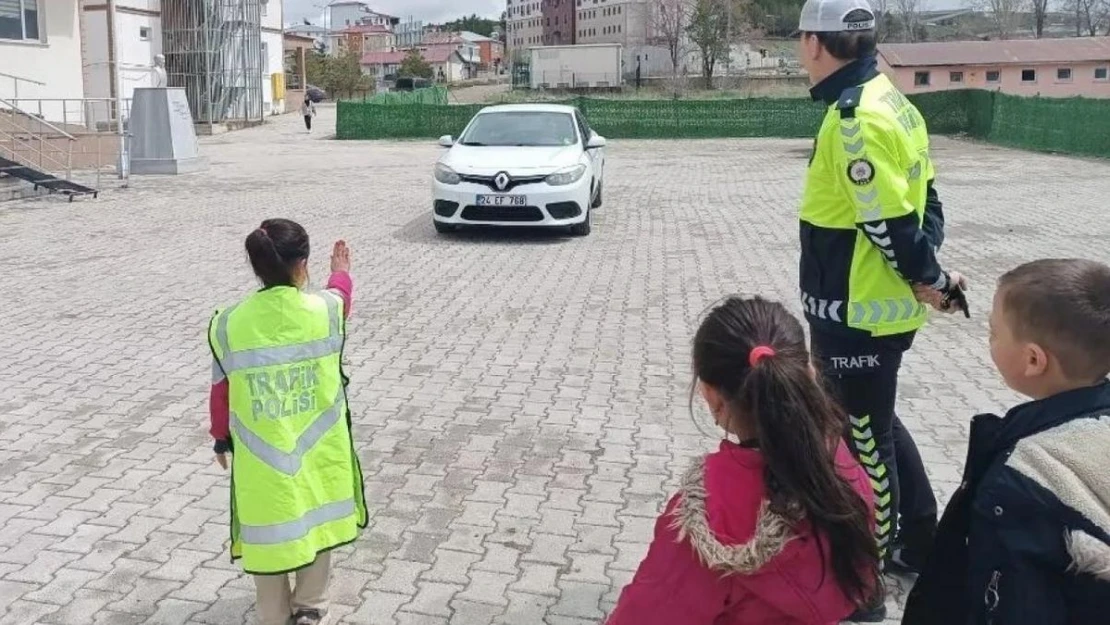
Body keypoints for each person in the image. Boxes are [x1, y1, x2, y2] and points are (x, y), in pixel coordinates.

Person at [793, 0, 967, 613]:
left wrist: (932, 279)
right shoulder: (892, 100)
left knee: (865, 442)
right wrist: (930, 273)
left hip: (858, 315)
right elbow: (931, 195)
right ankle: (920, 540)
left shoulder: (854, 119)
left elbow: (891, 222)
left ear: (815, 44)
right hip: (876, 309)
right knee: (880, 425)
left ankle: (866, 577)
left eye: (799, 41)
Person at [606, 296, 879, 625]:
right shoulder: (839, 465)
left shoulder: (708, 512)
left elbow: (646, 615)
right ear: (808, 373)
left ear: (710, 396)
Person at [903, 259, 1110, 625]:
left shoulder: (1019, 481)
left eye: (993, 333)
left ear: (1033, 360)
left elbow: (1009, 602)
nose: (990, 341)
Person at [208, 218, 367, 625]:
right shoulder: (324, 310)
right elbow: (340, 297)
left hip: (262, 458)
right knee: (318, 526)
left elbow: (221, 389)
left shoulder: (229, 323)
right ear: (303, 264)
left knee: (271, 535)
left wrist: (221, 440)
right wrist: (341, 273)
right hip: (318, 450)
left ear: (256, 266)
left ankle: (274, 615)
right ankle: (311, 608)